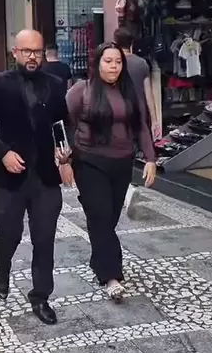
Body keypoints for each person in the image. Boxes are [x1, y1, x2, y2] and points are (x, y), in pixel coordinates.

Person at [0, 29, 70, 325]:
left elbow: (60, 123)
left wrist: (64, 150)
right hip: (8, 178)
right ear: (15, 52)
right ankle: (1, 269)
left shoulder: (55, 84)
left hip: (45, 178)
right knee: (9, 234)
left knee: (44, 239)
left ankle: (40, 296)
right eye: (26, 51)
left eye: (37, 52)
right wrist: (2, 152)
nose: (32, 57)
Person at [64, 42, 157, 299]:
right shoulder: (81, 90)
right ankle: (111, 276)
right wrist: (64, 159)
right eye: (108, 61)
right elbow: (63, 123)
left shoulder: (129, 92)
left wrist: (150, 158)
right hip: (89, 162)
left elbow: (141, 126)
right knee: (101, 216)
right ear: (97, 63)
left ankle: (99, 260)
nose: (114, 66)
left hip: (122, 163)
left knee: (108, 219)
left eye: (118, 62)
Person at [114, 27, 161, 139]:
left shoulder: (113, 64)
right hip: (139, 112)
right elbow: (149, 94)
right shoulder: (142, 63)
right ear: (132, 43)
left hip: (118, 111)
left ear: (116, 43)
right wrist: (155, 121)